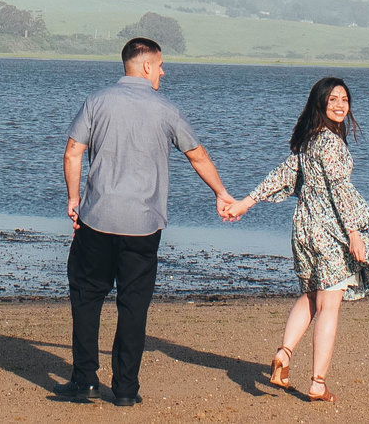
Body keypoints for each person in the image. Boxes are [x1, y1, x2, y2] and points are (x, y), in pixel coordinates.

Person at [58, 35, 240, 406]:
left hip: (97, 219)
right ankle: (125, 389)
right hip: (144, 225)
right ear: (144, 66)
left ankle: (86, 379)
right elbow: (198, 156)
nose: (163, 71)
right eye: (160, 65)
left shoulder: (97, 101)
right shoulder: (166, 109)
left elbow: (73, 153)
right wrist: (221, 193)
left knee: (87, 298)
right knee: (133, 305)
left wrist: (74, 199)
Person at [223, 75, 369, 403]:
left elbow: (281, 175)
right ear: (320, 103)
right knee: (329, 305)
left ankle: (283, 356)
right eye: (333, 100)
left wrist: (244, 203)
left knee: (311, 297)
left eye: (344, 99)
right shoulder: (330, 143)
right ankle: (318, 383)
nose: (340, 105)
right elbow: (340, 189)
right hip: (328, 231)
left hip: (303, 229)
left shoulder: (309, 140)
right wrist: (354, 233)